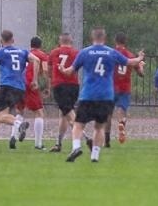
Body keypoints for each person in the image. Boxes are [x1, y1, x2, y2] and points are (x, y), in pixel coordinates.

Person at [60, 27, 144, 162]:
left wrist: (62, 69)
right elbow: (130, 62)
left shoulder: (85, 52)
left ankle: (76, 147)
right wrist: (139, 57)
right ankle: (95, 156)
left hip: (88, 95)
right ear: (104, 39)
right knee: (99, 127)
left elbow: (70, 71)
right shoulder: (111, 52)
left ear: (92, 38)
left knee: (79, 124)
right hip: (106, 95)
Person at [0, 29, 42, 152]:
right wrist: (35, 80)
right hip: (20, 88)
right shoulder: (22, 51)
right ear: (13, 40)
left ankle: (19, 124)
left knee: (1, 116)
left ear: (1, 41)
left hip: (7, 86)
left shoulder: (0, 52)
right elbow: (36, 60)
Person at [11, 35, 49, 150]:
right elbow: (46, 70)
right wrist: (47, 85)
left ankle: (13, 137)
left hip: (19, 83)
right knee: (39, 113)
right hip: (30, 84)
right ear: (40, 45)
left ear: (31, 45)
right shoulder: (42, 55)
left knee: (20, 111)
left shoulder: (25, 53)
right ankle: (38, 144)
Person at [45, 32, 80, 152]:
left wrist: (49, 84)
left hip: (60, 85)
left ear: (60, 41)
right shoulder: (76, 53)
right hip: (74, 85)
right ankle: (58, 143)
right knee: (63, 114)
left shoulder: (54, 52)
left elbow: (48, 70)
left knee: (68, 113)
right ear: (71, 41)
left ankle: (84, 137)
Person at [111, 31, 141, 145]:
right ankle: (121, 122)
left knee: (108, 112)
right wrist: (140, 65)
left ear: (115, 41)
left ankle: (107, 138)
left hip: (112, 85)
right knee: (121, 108)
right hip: (125, 86)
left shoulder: (111, 53)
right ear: (125, 42)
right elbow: (140, 73)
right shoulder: (130, 55)